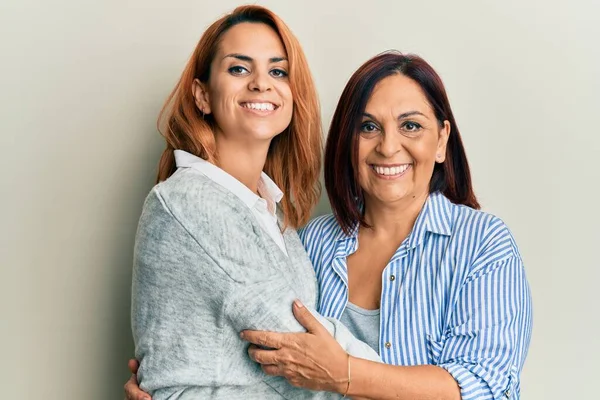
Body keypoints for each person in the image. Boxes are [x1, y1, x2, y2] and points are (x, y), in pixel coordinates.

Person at [125, 36, 532, 400]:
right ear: (347, 142)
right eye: (368, 127)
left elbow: (486, 387)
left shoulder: (483, 243)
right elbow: (258, 353)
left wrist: (346, 375)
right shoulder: (311, 243)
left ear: (441, 140)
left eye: (411, 126)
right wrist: (174, 380)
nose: (389, 147)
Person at [130, 5, 380, 400]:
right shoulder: (191, 201)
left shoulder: (271, 213)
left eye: (278, 71)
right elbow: (303, 348)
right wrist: (407, 387)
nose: (262, 83)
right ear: (202, 95)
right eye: (239, 69)